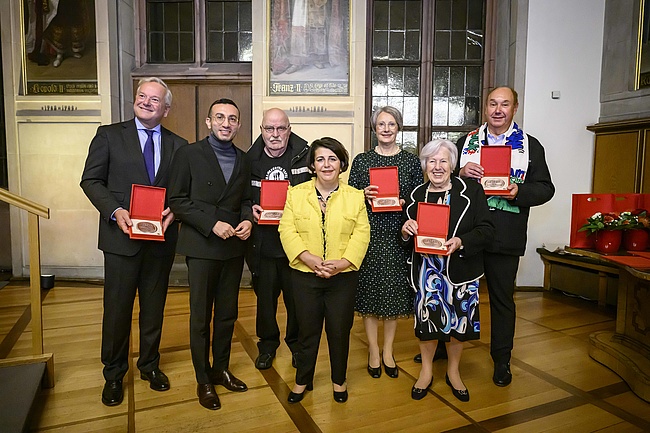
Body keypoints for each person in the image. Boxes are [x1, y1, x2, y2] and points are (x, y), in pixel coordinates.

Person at [80, 77, 188, 406]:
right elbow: (91, 180)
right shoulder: (109, 136)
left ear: (166, 108)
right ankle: (113, 375)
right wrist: (115, 210)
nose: (146, 102)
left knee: (154, 309)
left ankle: (149, 366)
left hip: (160, 243)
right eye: (142, 96)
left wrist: (175, 212)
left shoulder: (179, 145)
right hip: (121, 240)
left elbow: (183, 193)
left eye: (155, 99)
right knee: (117, 311)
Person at [456, 86, 554, 387]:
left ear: (515, 108)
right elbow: (442, 181)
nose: (498, 110)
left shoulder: (530, 146)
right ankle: (444, 351)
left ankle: (501, 360)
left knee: (501, 300)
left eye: (505, 104)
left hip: (505, 234)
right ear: (485, 107)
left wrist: (518, 191)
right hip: (468, 232)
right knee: (457, 294)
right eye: (493, 104)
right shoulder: (466, 142)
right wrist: (460, 171)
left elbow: (546, 189)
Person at [168, 98, 253, 410]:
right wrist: (211, 223)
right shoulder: (188, 154)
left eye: (232, 118)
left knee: (228, 314)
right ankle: (203, 379)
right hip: (202, 245)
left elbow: (245, 199)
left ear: (239, 125)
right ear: (208, 122)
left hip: (232, 247)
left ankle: (221, 369)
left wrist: (247, 219)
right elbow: (177, 200)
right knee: (201, 316)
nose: (226, 123)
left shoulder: (244, 160)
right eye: (220, 117)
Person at [401, 139, 494, 402]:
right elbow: (405, 237)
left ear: (453, 164)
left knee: (458, 325)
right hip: (426, 272)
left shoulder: (471, 192)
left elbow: (487, 230)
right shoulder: (416, 195)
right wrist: (406, 231)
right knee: (427, 324)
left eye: (443, 161)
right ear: (424, 165)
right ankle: (427, 372)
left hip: (461, 270)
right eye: (432, 161)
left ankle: (453, 372)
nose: (438, 167)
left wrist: (462, 241)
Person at [278, 137, 370, 404]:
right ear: (312, 165)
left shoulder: (355, 196)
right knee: (307, 331)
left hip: (342, 277)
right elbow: (286, 229)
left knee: (339, 331)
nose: (326, 164)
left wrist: (342, 263)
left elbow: (361, 233)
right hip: (306, 276)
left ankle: (338, 381)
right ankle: (302, 380)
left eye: (332, 158)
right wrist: (307, 258)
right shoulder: (296, 194)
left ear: (341, 164)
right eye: (320, 159)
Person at [348, 106, 422, 379]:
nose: (387, 128)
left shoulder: (411, 162)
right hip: (368, 234)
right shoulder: (361, 161)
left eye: (392, 124)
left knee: (392, 295)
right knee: (369, 294)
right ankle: (373, 350)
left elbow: (417, 200)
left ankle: (388, 351)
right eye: (381, 124)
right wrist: (362, 194)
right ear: (374, 128)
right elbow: (349, 199)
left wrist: (405, 203)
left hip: (397, 235)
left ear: (398, 127)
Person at [248, 108, 312, 370]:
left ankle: (296, 346)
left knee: (296, 302)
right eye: (269, 129)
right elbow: (240, 198)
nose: (275, 135)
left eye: (281, 128)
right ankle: (267, 346)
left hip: (296, 247)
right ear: (262, 130)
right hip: (262, 246)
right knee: (265, 302)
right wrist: (247, 211)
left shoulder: (306, 156)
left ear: (289, 129)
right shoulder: (249, 160)